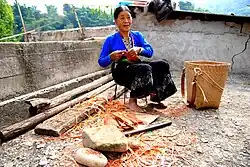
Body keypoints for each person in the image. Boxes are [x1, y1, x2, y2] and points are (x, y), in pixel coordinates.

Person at [98, 5, 177, 112]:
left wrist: (139, 49)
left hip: (136, 65)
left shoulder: (137, 35)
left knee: (162, 64)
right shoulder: (110, 39)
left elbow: (150, 52)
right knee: (144, 68)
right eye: (122, 18)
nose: (126, 21)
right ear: (116, 21)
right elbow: (101, 62)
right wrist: (111, 57)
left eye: (128, 17)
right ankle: (132, 102)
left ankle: (156, 97)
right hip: (121, 71)